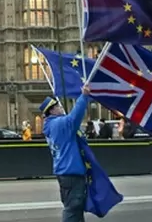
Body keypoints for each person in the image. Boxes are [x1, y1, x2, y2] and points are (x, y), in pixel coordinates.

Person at [41, 86, 91, 222]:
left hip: (66, 171)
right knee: (73, 208)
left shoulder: (51, 125)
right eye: (58, 106)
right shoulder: (58, 124)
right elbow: (74, 118)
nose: (61, 108)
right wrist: (84, 96)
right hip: (71, 171)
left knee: (75, 207)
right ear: (51, 110)